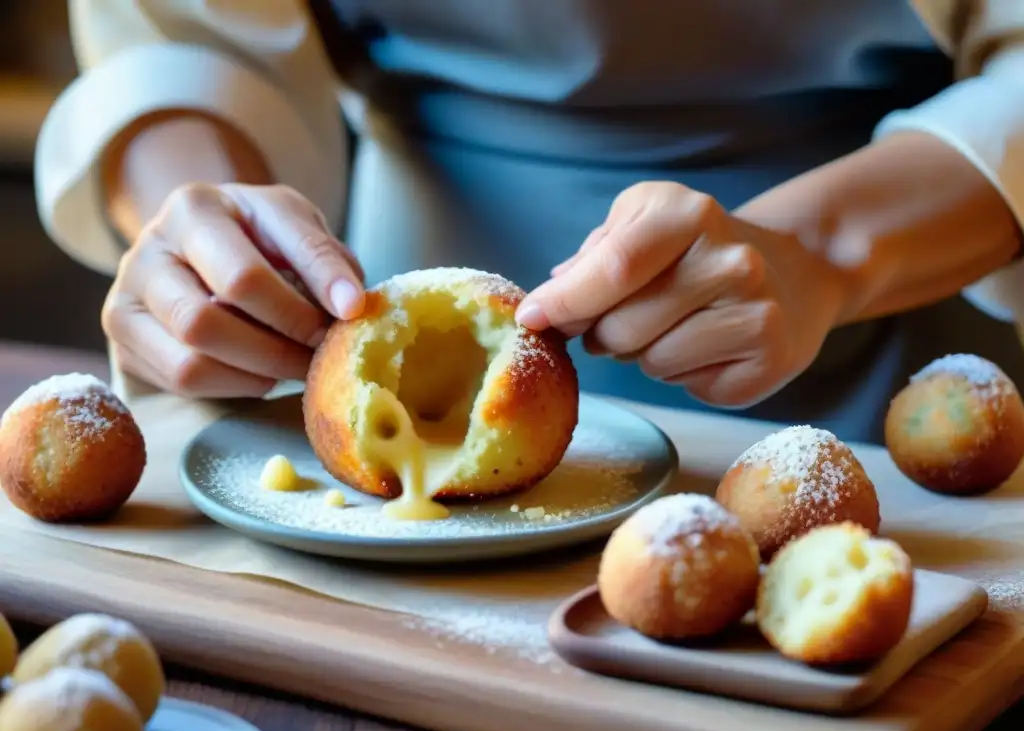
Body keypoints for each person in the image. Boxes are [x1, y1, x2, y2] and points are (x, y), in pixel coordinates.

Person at [35, 0, 1024, 443]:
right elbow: (181, 39)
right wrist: (206, 231)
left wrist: (822, 253)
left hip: (886, 359)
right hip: (371, 349)